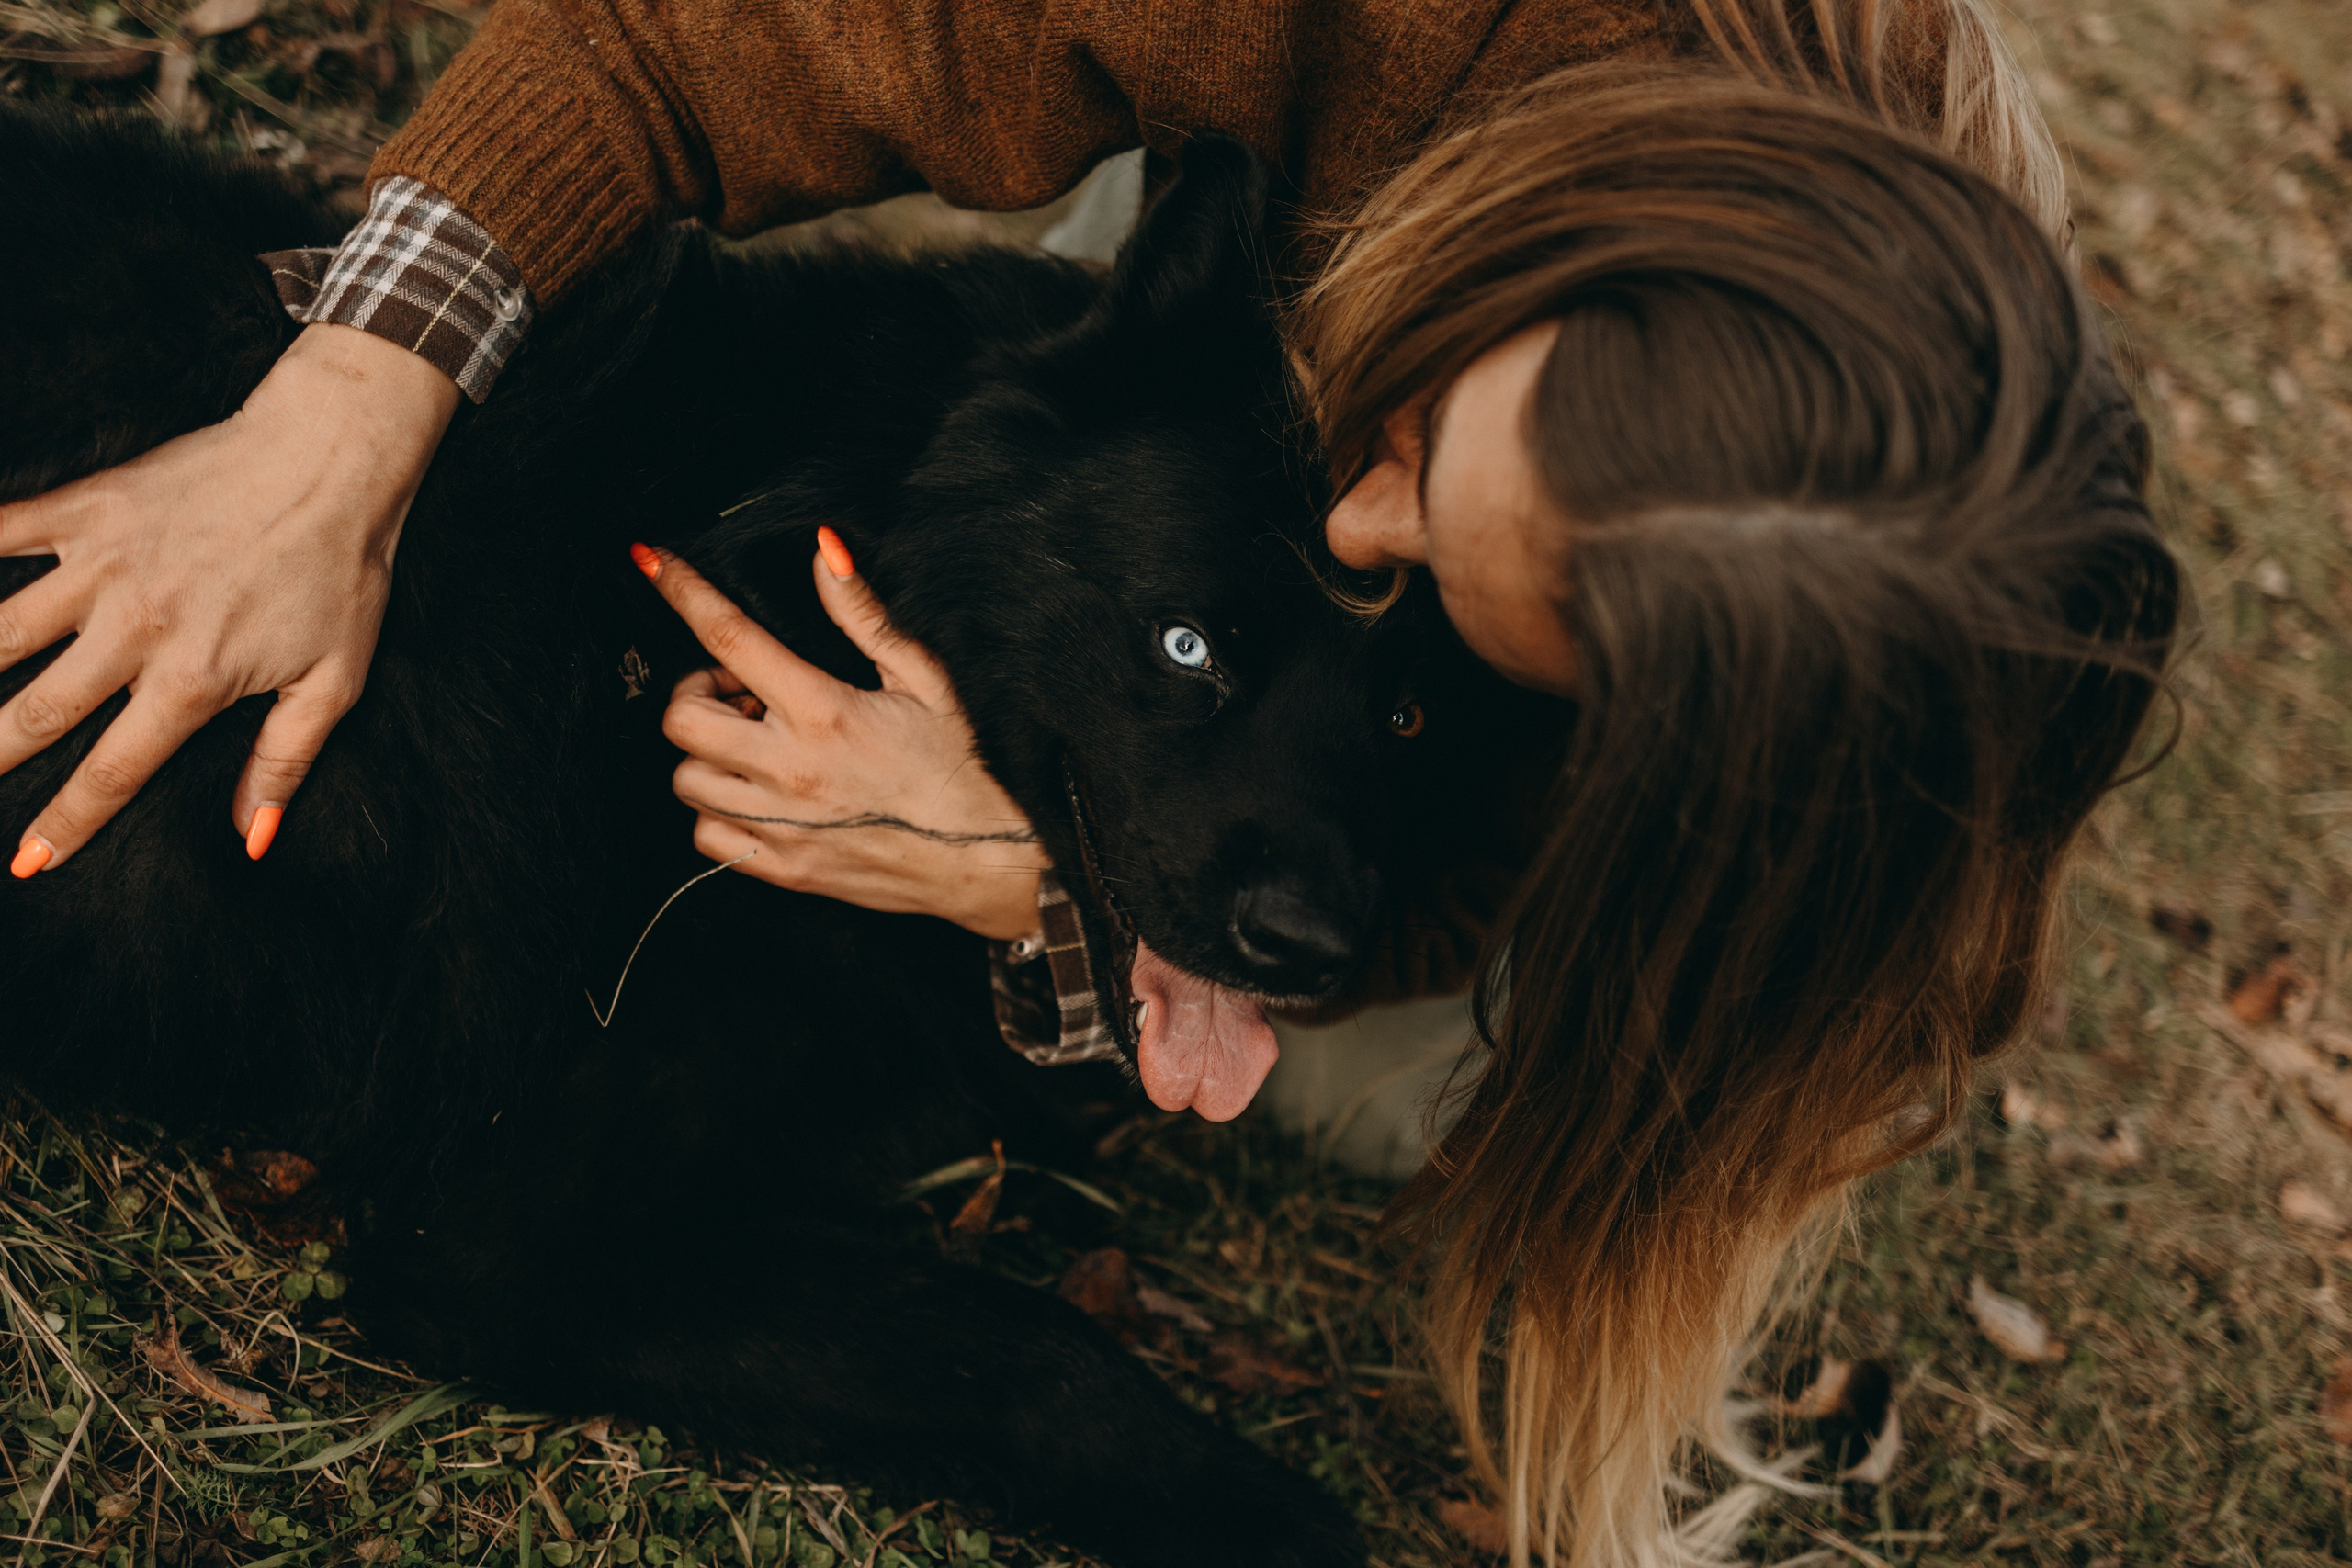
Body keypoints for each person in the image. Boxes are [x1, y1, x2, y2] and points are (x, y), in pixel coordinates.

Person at [0, 2, 2179, 1562]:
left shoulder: (1803, 681)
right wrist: (327, 429)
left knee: (1365, 1075)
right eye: (1414, 441)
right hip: (1263, 216)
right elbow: (663, 53)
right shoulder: (1432, 65)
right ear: (1577, 255)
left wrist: (1031, 896)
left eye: (1472, 620)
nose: (1356, 530)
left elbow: (1415, 897)